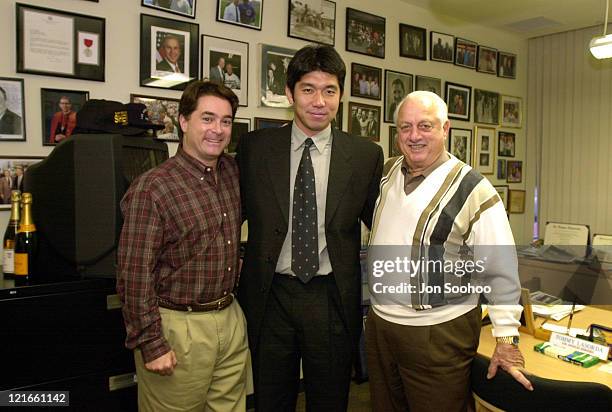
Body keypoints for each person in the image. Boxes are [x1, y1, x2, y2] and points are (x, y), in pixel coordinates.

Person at [236, 44, 383, 412]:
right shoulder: (255, 148)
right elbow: (229, 213)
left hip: (331, 297)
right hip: (271, 297)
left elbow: (382, 224)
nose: (320, 101)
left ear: (341, 95)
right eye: (308, 89)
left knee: (330, 400)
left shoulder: (365, 156)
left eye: (330, 90)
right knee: (271, 400)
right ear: (289, 93)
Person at [366, 91, 532, 412]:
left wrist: (506, 339)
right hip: (381, 328)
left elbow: (500, 268)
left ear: (445, 129)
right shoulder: (388, 173)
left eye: (425, 126)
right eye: (405, 127)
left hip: (438, 334)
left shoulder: (474, 188)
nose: (414, 136)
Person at [117, 81, 248, 412]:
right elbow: (134, 275)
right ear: (184, 121)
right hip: (178, 327)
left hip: (229, 319)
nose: (217, 130)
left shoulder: (233, 173)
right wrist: (151, 343)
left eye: (226, 121)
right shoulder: (153, 188)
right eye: (207, 118)